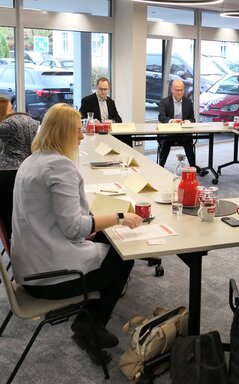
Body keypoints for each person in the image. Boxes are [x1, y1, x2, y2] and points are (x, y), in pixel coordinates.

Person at [10, 103, 143, 365]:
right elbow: (73, 228)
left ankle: (89, 324)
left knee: (104, 237)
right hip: (48, 278)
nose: (82, 135)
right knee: (124, 255)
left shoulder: (32, 160)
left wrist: (90, 227)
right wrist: (119, 217)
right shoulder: (59, 167)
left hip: (29, 267)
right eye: (77, 130)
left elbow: (60, 221)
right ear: (62, 133)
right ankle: (90, 325)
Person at [0, 110, 39, 238]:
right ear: (25, 136)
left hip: (16, 235)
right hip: (29, 237)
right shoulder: (23, 174)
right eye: (33, 133)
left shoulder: (4, 162)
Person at [158, 79, 199, 170]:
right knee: (166, 142)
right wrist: (172, 121)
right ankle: (161, 166)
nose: (180, 92)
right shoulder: (164, 102)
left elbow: (192, 119)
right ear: (172, 89)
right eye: (177, 90)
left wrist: (187, 122)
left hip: (183, 133)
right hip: (169, 133)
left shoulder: (188, 102)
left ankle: (193, 167)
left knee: (188, 142)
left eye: (181, 90)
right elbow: (161, 117)